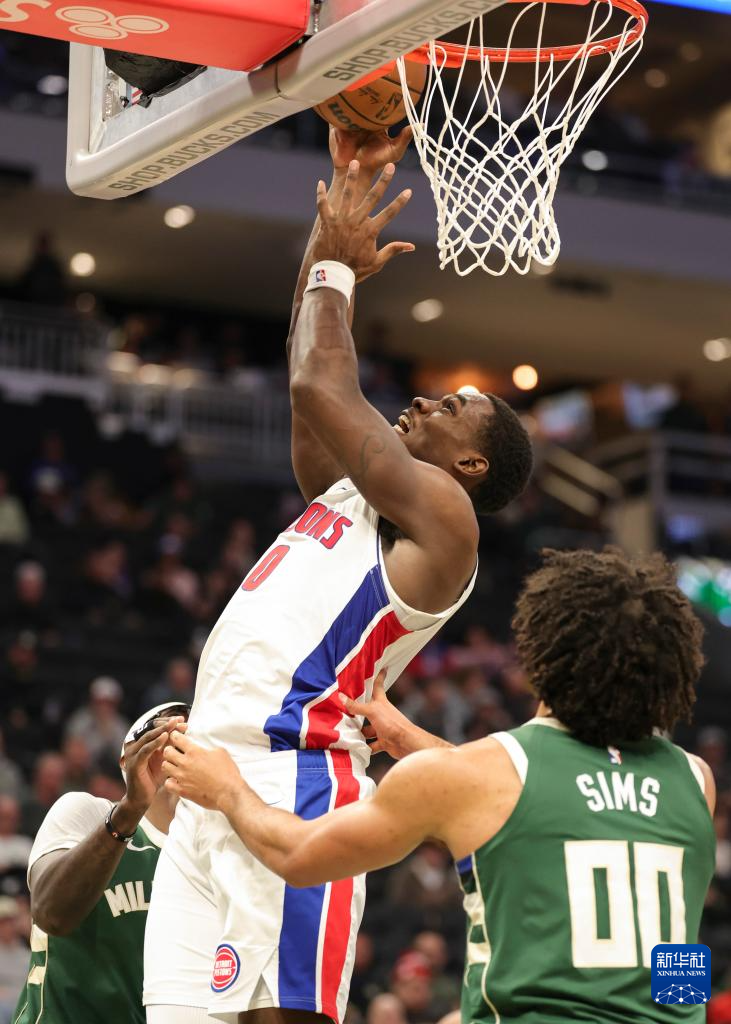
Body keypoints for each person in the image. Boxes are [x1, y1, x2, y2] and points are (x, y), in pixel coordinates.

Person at [143, 129, 533, 1024]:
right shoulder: (354, 497)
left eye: (452, 408)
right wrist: (329, 239)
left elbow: (321, 383)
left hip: (295, 780)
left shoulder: (444, 521)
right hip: (211, 775)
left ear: (470, 466)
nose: (425, 399)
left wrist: (337, 271)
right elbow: (305, 371)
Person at [163, 548, 716, 1024]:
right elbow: (675, 949)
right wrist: (409, 737)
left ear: (542, 656)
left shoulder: (486, 775)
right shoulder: (696, 782)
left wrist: (228, 789)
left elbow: (300, 857)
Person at [12, 702, 189, 1024]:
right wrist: (130, 809)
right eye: (168, 734)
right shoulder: (85, 811)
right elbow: (51, 913)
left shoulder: (215, 854)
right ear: (127, 759)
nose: (184, 745)